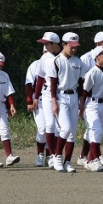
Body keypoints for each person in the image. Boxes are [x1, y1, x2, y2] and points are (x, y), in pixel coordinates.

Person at [47, 32, 84, 173]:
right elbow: (53, 83)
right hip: (61, 96)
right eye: (71, 46)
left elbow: (81, 83)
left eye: (76, 47)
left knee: (72, 132)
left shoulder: (78, 62)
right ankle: (57, 156)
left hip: (74, 96)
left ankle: (67, 161)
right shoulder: (56, 61)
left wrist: (81, 102)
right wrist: (54, 102)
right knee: (66, 128)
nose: (74, 49)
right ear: (64, 45)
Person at [33, 32, 62, 168]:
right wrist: (35, 97)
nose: (44, 46)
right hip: (47, 95)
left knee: (60, 128)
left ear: (55, 44)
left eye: (46, 43)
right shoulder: (45, 57)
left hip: (63, 95)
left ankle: (58, 155)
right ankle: (52, 155)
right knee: (49, 125)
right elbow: (40, 78)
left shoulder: (64, 57)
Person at [25, 46, 50, 167]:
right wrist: (29, 101)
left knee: (52, 128)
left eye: (49, 51)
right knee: (42, 128)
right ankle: (40, 154)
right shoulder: (35, 65)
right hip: (38, 100)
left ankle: (49, 155)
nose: (47, 53)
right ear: (42, 52)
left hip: (52, 99)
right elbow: (28, 84)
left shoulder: (57, 63)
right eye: (45, 51)